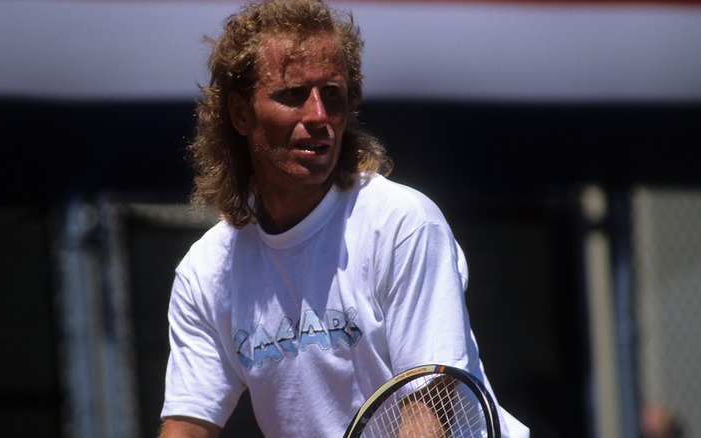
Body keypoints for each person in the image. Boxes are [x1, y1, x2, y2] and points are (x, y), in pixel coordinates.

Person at [159, 1, 529, 437]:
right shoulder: (206, 271)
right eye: (293, 95)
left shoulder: (403, 224)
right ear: (241, 114)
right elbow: (188, 424)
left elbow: (428, 412)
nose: (318, 116)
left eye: (332, 94)